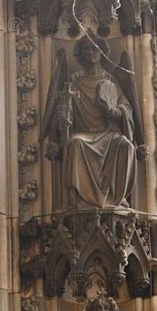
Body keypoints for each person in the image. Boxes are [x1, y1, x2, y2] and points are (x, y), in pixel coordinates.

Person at [62, 34, 137, 208]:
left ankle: (117, 199)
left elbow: (127, 110)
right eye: (86, 49)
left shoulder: (110, 81)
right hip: (84, 135)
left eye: (95, 48)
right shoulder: (74, 82)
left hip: (108, 135)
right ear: (80, 53)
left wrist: (111, 111)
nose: (91, 53)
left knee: (126, 146)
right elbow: (66, 115)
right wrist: (64, 117)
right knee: (75, 143)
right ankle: (81, 199)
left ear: (102, 52)